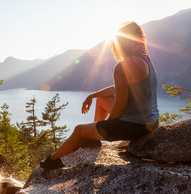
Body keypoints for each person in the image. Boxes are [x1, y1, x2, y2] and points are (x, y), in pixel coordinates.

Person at [40, 21, 159, 170]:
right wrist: (93, 95)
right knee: (101, 101)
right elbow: (119, 89)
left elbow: (120, 106)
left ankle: (53, 160)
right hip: (150, 123)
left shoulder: (123, 66)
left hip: (136, 127)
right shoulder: (145, 59)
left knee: (78, 130)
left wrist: (105, 128)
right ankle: (93, 140)